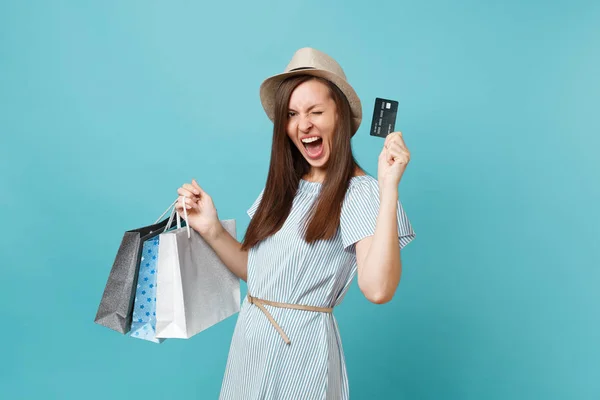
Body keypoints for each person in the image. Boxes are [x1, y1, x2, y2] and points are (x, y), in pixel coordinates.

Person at [175, 47, 416, 399]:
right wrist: (210, 228)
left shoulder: (361, 192)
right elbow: (263, 274)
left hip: (300, 354)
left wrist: (389, 187)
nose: (303, 125)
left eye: (316, 111)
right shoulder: (286, 186)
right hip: (250, 346)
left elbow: (378, 290)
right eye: (292, 114)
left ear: (341, 116)